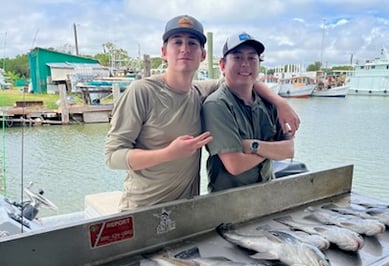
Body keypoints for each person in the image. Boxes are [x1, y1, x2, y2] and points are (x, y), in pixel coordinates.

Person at [105, 15, 300, 211]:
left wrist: (281, 102)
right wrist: (168, 153)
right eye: (177, 42)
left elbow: (244, 78)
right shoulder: (141, 91)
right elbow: (113, 156)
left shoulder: (199, 92)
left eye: (192, 43)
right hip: (143, 207)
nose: (185, 49)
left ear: (203, 55)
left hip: (187, 207)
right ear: (164, 52)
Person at [202, 32, 294, 193]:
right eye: (237, 58)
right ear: (222, 65)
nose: (245, 64)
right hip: (228, 201)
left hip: (267, 192)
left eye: (252, 58)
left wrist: (253, 146)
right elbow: (235, 165)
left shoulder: (269, 103)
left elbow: (289, 150)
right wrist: (272, 149)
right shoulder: (216, 105)